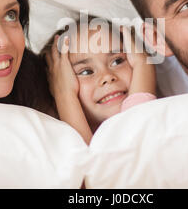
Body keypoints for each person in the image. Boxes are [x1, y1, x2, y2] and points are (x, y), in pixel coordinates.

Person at [43, 16, 157, 144]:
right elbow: (90, 160)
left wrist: (142, 64)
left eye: (117, 61)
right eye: (86, 72)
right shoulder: (56, 145)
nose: (107, 76)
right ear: (60, 85)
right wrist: (65, 94)